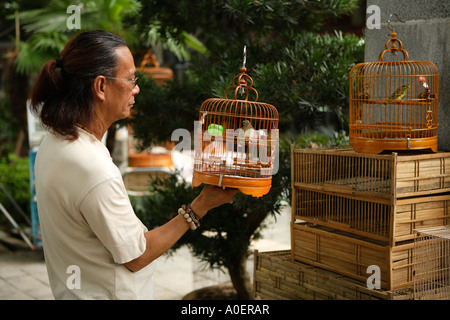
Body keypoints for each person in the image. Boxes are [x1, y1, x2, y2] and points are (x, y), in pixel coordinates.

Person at [29, 30, 238, 300]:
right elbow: (136, 256)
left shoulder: (54, 141)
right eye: (130, 79)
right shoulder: (92, 167)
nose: (136, 88)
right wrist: (201, 205)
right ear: (101, 87)